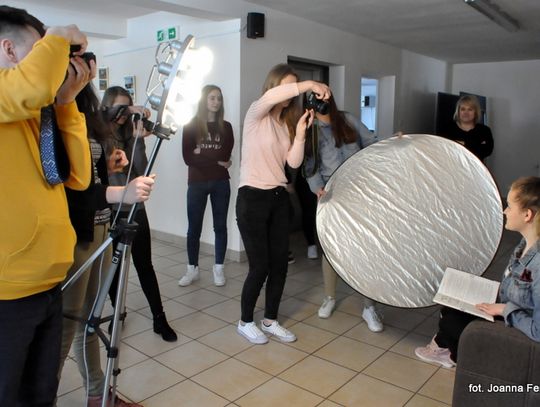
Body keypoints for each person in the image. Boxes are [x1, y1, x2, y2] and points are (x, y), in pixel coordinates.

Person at [0, 6, 92, 406]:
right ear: (9, 49)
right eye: (40, 49)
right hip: (7, 293)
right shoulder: (14, 95)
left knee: (40, 394)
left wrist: (68, 101)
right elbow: (34, 85)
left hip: (49, 283)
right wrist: (59, 32)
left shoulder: (36, 111)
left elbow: (77, 176)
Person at [58, 83, 154, 407]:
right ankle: (44, 396)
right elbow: (66, 188)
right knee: (66, 324)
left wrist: (108, 166)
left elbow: (89, 175)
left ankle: (98, 394)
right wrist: (118, 194)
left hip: (100, 226)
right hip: (74, 234)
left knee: (91, 318)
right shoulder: (53, 113)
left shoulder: (85, 111)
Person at [236, 63, 330, 344]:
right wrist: (309, 85)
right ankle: (244, 321)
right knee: (259, 266)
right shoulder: (257, 113)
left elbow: (293, 163)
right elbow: (272, 98)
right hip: (252, 197)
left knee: (280, 265)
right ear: (273, 86)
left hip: (278, 198)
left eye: (293, 88)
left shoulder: (283, 125)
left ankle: (270, 320)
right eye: (285, 87)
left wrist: (300, 135)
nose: (289, 94)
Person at [415, 176, 540, 368]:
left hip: (519, 331)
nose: (505, 211)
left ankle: (456, 356)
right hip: (508, 308)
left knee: (451, 323)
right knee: (450, 306)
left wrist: (505, 310)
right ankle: (444, 348)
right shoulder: (524, 244)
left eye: (509, 206)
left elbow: (538, 330)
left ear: (527, 215)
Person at [101, 86, 177, 342]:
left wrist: (137, 138)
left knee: (145, 265)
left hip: (136, 210)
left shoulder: (130, 133)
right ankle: (116, 313)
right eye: (120, 109)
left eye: (128, 107)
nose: (123, 115)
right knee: (114, 270)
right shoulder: (98, 133)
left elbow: (141, 170)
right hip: (111, 210)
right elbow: (106, 171)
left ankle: (159, 317)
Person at [304, 94, 384, 332]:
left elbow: (372, 142)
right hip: (330, 192)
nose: (321, 101)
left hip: (359, 190)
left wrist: (392, 147)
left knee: (364, 247)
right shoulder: (310, 129)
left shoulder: (347, 120)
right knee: (330, 248)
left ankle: (369, 307)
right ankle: (329, 297)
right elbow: (309, 164)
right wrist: (317, 186)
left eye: (324, 95)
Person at [179, 85, 234, 287]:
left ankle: (218, 268)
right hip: (197, 182)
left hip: (221, 182)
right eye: (212, 98)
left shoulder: (226, 127)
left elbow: (225, 155)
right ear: (204, 100)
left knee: (220, 226)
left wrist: (200, 152)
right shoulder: (191, 125)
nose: (216, 102)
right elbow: (187, 157)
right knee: (194, 229)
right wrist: (215, 160)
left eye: (219, 98)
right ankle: (192, 269)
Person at [447, 94, 493, 162]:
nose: (466, 112)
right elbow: (446, 150)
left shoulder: (485, 130)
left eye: (470, 109)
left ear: (475, 112)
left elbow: (487, 151)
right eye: (463, 109)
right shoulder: (448, 129)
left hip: (476, 170)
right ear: (458, 112)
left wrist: (464, 144)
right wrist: (477, 145)